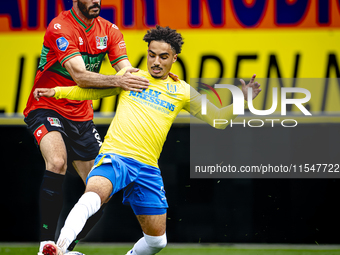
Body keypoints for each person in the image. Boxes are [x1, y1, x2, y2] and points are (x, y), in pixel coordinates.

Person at [34, 25, 261, 255]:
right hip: (116, 157)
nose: (156, 61)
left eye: (163, 57)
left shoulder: (181, 90)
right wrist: (58, 91)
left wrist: (242, 99)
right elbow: (89, 92)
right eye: (151, 54)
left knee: (157, 242)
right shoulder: (130, 77)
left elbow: (218, 119)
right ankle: (59, 248)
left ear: (174, 58)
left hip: (147, 168)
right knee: (93, 195)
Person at [23, 0, 153, 254]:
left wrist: (155, 83)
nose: (96, 1)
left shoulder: (110, 30)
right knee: (57, 162)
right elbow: (80, 76)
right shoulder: (60, 27)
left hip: (82, 116)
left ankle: (64, 248)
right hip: (48, 104)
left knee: (102, 188)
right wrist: (120, 80)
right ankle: (45, 244)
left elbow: (126, 71)